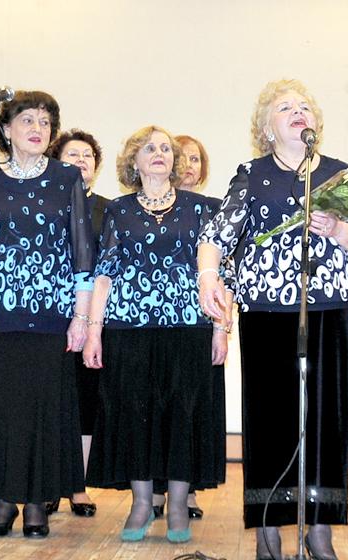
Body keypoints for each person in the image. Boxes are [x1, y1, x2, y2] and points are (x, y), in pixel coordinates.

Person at [197, 79, 348, 560]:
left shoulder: (340, 174)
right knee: (269, 418)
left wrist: (339, 228)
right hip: (267, 312)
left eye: (304, 107)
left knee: (327, 420)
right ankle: (267, 526)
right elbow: (216, 235)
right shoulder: (252, 174)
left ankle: (320, 527)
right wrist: (208, 276)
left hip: (329, 309)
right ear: (267, 128)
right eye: (284, 108)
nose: (298, 112)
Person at [0, 91, 93, 539]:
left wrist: (81, 317)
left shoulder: (66, 177)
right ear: (6, 129)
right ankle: (3, 501)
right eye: (27, 119)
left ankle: (35, 503)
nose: (38, 128)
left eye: (46, 122)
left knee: (41, 411)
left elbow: (82, 252)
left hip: (49, 315)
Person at [83, 126, 228, 544]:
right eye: (150, 148)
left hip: (189, 328)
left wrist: (221, 328)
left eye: (166, 148)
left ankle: (178, 504)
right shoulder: (119, 210)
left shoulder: (202, 209)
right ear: (135, 161)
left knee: (183, 416)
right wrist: (94, 332)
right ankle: (142, 504)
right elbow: (104, 274)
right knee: (134, 416)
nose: (160, 153)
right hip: (129, 330)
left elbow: (219, 274)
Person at [151, 134, 227, 521]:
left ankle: (188, 491)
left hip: (198, 325)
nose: (189, 166)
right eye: (184, 158)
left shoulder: (213, 209)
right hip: (154, 327)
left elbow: (226, 273)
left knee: (191, 411)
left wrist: (221, 326)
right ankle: (155, 491)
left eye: (196, 159)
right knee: (157, 409)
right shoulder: (146, 209)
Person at [43, 128, 105, 518]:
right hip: (49, 317)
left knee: (84, 403)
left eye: (87, 156)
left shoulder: (107, 209)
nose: (81, 161)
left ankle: (78, 487)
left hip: (92, 318)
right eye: (72, 155)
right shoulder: (43, 202)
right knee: (51, 403)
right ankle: (49, 483)